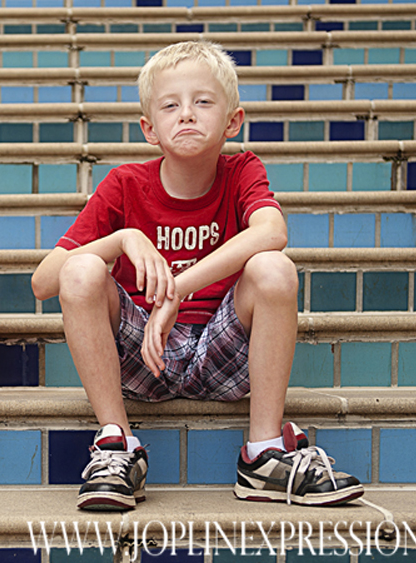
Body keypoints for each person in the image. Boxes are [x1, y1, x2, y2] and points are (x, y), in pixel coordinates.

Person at [31, 41, 363, 510]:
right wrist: (122, 239)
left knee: (273, 266)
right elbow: (44, 282)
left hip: (222, 351)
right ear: (149, 128)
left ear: (233, 121)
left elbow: (273, 232)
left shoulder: (242, 170)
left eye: (203, 101)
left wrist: (176, 290)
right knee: (81, 269)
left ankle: (263, 453)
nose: (186, 114)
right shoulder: (125, 184)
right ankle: (116, 444)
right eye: (170, 105)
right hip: (144, 353)